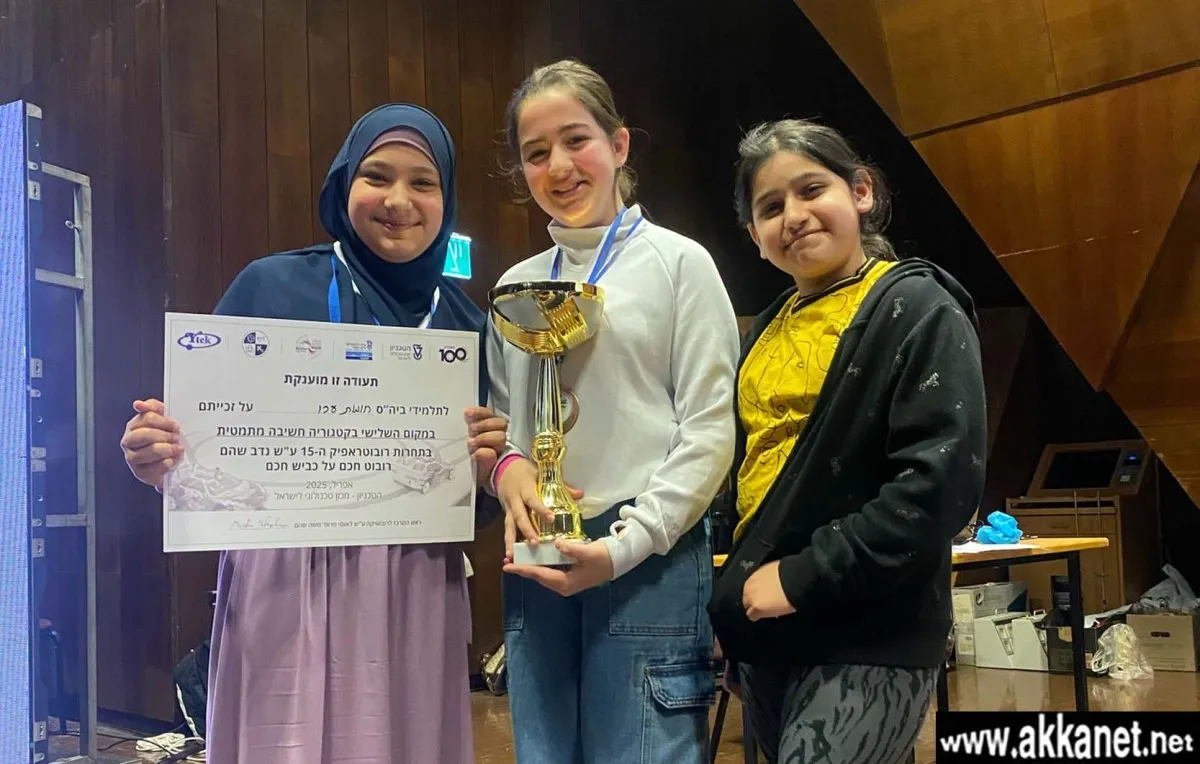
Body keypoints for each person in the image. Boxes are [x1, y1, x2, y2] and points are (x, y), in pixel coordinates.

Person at [119, 104, 507, 764]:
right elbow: (199, 439)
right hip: (283, 577)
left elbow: (482, 500)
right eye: (377, 177)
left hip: (412, 581)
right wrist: (155, 456)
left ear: (447, 199)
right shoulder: (270, 285)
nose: (398, 201)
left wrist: (483, 470)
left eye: (423, 182)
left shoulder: (466, 323)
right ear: (342, 184)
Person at [706, 119, 987, 764]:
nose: (794, 216)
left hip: (870, 627)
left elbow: (939, 486)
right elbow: (747, 479)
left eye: (812, 190)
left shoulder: (918, 307)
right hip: (768, 628)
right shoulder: (765, 331)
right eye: (770, 207)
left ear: (861, 191)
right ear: (754, 237)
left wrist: (801, 576)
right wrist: (732, 604)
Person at [485, 59, 741, 763]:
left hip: (646, 557)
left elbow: (710, 430)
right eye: (536, 153)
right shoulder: (516, 286)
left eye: (576, 140)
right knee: (543, 752)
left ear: (619, 145)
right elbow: (503, 426)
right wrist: (509, 473)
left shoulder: (680, 265)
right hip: (539, 553)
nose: (559, 166)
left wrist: (624, 547)